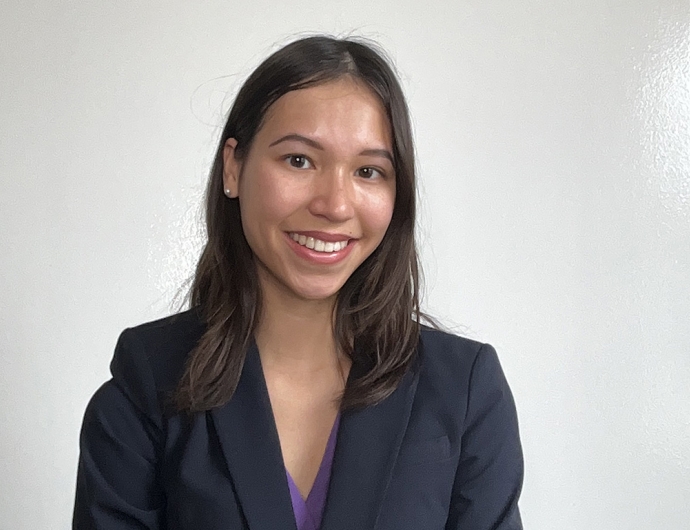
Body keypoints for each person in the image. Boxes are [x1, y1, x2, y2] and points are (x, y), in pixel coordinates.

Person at [73, 35, 523, 530]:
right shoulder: (149, 386)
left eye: (369, 171)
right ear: (233, 167)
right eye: (299, 160)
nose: (334, 204)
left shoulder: (463, 391)